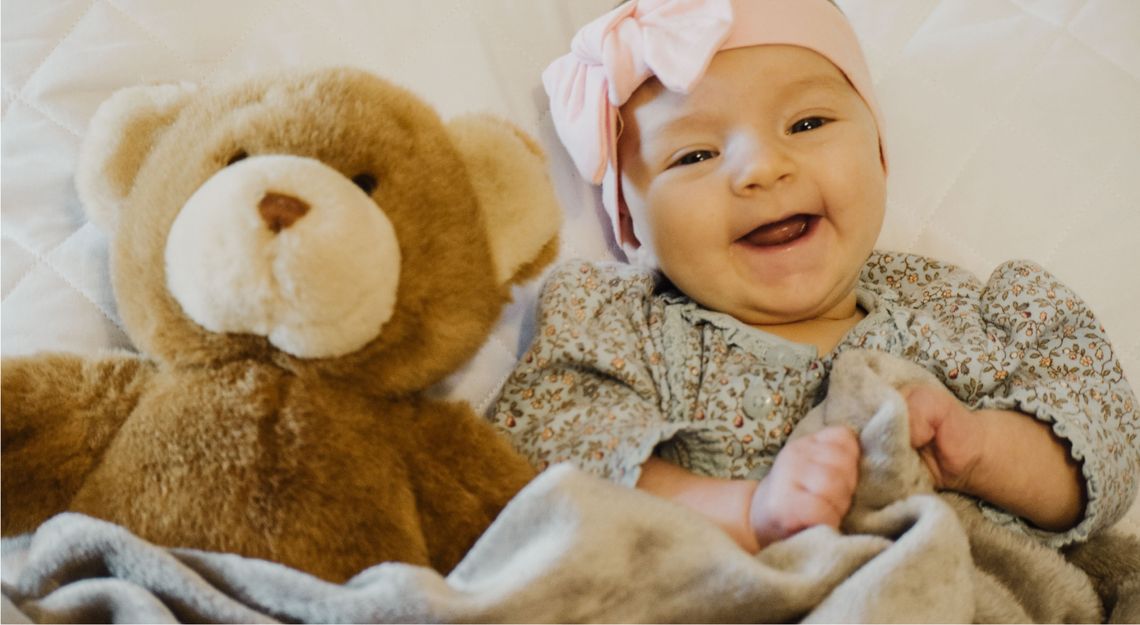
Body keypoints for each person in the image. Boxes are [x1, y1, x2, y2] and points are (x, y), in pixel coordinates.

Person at [491, 0, 1138, 553]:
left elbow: (1104, 437)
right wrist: (748, 511)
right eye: (694, 154)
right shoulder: (622, 328)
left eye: (807, 123)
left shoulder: (966, 308)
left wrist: (982, 449)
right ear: (631, 226)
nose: (761, 168)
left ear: (880, 156)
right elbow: (540, 448)